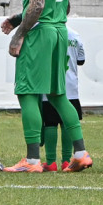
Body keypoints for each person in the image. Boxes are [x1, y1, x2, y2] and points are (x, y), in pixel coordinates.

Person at [0, 0, 91, 173]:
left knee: (27, 92)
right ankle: (81, 153)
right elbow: (52, 2)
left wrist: (19, 34)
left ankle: (31, 161)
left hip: (40, 33)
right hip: (59, 30)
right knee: (58, 94)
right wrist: (18, 18)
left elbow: (38, 4)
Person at [40, 21, 84, 170]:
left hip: (50, 84)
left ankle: (51, 161)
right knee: (67, 123)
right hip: (70, 86)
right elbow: (81, 60)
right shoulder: (75, 35)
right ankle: (66, 160)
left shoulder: (45, 34)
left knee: (50, 123)